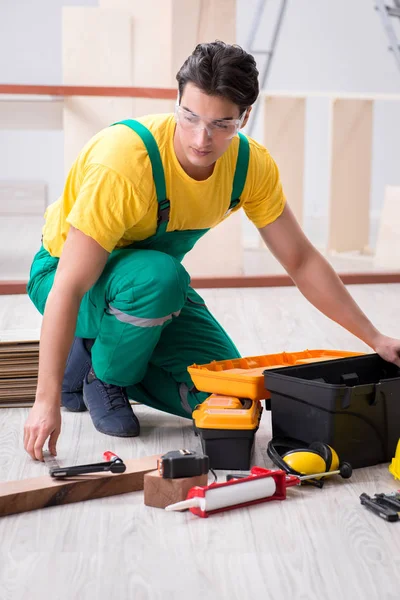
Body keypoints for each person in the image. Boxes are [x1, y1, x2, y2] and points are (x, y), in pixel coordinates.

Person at [23, 41, 400, 461]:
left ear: (245, 117)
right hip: (65, 275)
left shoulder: (249, 167)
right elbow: (70, 286)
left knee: (235, 400)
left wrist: (375, 338)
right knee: (158, 278)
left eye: (222, 124)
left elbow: (301, 260)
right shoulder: (126, 164)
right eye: (190, 117)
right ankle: (103, 375)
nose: (202, 139)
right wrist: (45, 400)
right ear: (177, 99)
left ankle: (97, 348)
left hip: (143, 286)